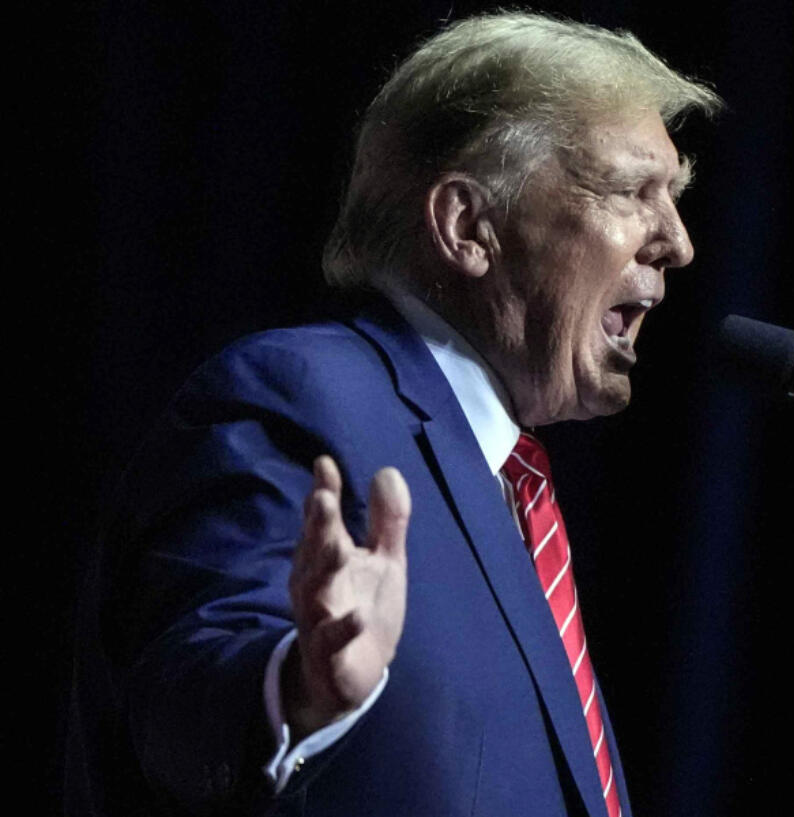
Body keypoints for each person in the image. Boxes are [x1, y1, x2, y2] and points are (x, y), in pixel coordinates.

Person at [81, 11, 721, 816]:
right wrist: (297, 687)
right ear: (467, 227)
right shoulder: (295, 395)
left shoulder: (510, 489)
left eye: (675, 198)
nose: (678, 241)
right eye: (633, 192)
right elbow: (184, 695)